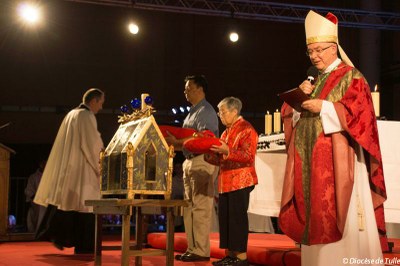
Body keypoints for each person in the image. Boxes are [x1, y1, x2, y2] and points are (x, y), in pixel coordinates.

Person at [278, 10, 388, 266]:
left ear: (334, 47)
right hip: (311, 165)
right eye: (311, 51)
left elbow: (361, 116)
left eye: (319, 50)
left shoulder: (352, 76)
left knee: (339, 221)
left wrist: (326, 108)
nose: (314, 56)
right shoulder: (315, 81)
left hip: (340, 165)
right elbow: (293, 116)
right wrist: (298, 99)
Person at [34, 88, 105, 254]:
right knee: (86, 207)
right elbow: (92, 145)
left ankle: (63, 237)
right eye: (101, 103)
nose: (101, 107)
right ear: (93, 101)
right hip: (83, 170)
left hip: (71, 169)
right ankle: (85, 246)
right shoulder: (86, 116)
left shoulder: (72, 114)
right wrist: (102, 165)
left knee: (71, 206)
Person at [165, 75, 219, 262]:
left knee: (201, 207)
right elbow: (188, 141)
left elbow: (206, 138)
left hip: (202, 160)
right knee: (189, 207)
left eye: (188, 88)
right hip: (189, 160)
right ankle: (193, 247)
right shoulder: (191, 113)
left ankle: (202, 250)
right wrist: (175, 142)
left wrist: (178, 141)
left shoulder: (206, 111)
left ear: (199, 89)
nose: (185, 92)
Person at [204, 97, 258, 266]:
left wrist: (227, 150)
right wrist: (208, 155)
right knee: (226, 219)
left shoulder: (247, 129)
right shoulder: (226, 132)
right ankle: (229, 255)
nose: (220, 115)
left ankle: (241, 258)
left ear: (235, 112)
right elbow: (222, 160)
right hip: (225, 181)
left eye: (223, 112)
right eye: (219, 112)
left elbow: (248, 156)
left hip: (241, 180)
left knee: (237, 219)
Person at [25, 159, 47, 233]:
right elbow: (28, 190)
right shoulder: (33, 177)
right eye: (43, 163)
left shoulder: (49, 176)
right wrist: (36, 198)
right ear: (40, 165)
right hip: (37, 202)